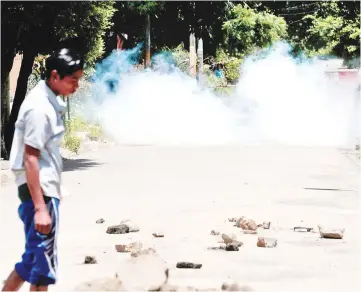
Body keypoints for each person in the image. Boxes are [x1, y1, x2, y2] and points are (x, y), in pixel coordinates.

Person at [2, 48, 84, 291]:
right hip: (39, 194)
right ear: (56, 76)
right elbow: (30, 158)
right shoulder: (40, 109)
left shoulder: (47, 100)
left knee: (31, 263)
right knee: (42, 269)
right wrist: (40, 208)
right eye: (74, 79)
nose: (77, 85)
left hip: (42, 190)